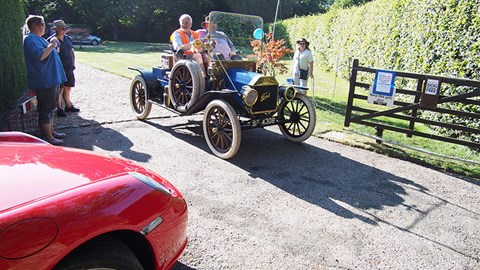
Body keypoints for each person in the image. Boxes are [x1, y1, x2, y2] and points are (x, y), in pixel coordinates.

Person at [23, 15, 67, 145]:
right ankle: (48, 137)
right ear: (36, 25)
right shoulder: (30, 39)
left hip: (51, 79)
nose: (45, 27)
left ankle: (51, 132)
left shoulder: (37, 39)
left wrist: (52, 45)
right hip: (45, 80)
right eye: (43, 24)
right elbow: (40, 56)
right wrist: (52, 45)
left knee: (50, 107)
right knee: (45, 109)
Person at [49, 19, 80, 117]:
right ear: (56, 29)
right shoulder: (54, 40)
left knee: (68, 87)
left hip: (69, 68)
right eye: (62, 28)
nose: (64, 30)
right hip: (59, 70)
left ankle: (68, 106)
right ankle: (59, 109)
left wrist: (73, 63)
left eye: (65, 28)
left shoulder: (68, 39)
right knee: (59, 89)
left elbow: (71, 51)